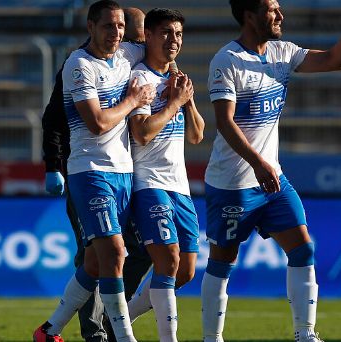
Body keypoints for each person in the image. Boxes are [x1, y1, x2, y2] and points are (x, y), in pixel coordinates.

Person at [201, 1, 341, 341]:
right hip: (233, 183)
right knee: (222, 261)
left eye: (279, 9)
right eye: (271, 10)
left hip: (272, 179)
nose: (280, 16)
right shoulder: (227, 60)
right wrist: (257, 162)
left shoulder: (283, 52)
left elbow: (335, 60)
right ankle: (211, 338)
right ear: (249, 15)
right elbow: (224, 122)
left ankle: (305, 333)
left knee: (303, 248)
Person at [34, 1, 156, 341]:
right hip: (88, 172)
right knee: (112, 252)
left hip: (124, 174)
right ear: (90, 27)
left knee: (95, 261)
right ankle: (111, 334)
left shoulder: (125, 56)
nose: (117, 34)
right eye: (109, 26)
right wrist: (51, 165)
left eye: (121, 28)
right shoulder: (78, 64)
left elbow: (161, 45)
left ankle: (49, 330)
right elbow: (96, 123)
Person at [125, 8, 204, 342]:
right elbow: (141, 133)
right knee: (169, 260)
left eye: (179, 34)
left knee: (184, 271)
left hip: (180, 187)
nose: (174, 41)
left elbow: (197, 135)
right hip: (149, 184)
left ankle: (121, 320)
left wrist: (186, 101)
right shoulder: (140, 79)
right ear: (149, 36)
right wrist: (172, 103)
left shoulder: (176, 80)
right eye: (167, 33)